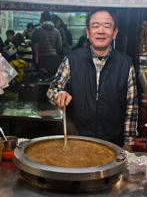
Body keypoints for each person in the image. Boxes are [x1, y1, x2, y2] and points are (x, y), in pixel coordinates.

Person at [47, 9, 138, 151]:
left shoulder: (126, 65)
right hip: (76, 142)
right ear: (88, 32)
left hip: (112, 144)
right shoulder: (72, 59)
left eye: (107, 26)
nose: (101, 31)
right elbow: (53, 89)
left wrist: (128, 142)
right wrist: (58, 94)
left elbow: (131, 107)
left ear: (114, 33)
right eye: (95, 26)